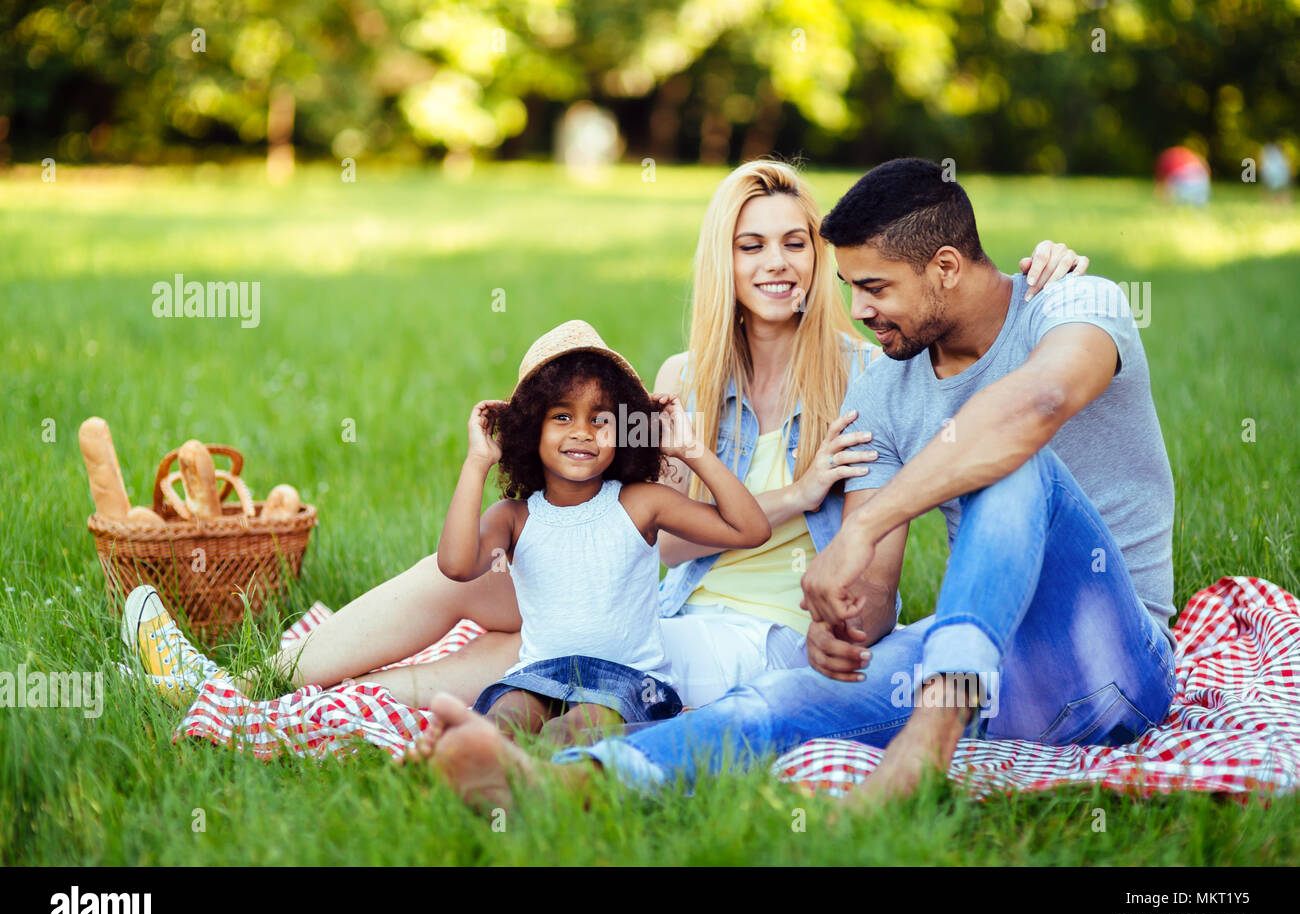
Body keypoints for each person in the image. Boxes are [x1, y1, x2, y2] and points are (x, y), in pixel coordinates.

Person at [123, 160, 1088, 720]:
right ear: (724, 259)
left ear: (820, 258)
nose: (779, 264)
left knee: (542, 648)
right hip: (663, 591)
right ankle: (250, 684)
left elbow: (871, 579)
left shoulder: (867, 378)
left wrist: (1045, 276)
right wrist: (775, 500)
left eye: (796, 243)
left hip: (762, 635)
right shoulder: (679, 383)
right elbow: (644, 535)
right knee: (464, 581)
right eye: (753, 245)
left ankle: (284, 711)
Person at [402, 158, 1175, 812]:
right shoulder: (885, 390)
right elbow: (870, 604)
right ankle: (564, 785)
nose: (855, 309)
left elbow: (1034, 407)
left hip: (1112, 660)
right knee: (777, 700)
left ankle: (926, 746)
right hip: (991, 678)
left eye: (873, 288)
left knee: (1019, 460)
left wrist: (866, 528)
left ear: (944, 267)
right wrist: (836, 627)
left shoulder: (1074, 301)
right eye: (848, 287)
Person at [438, 320, 767, 746]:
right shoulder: (514, 517)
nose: (582, 431)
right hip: (540, 676)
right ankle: (465, 767)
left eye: (600, 419)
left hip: (627, 683)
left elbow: (750, 529)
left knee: (572, 730)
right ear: (530, 429)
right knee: (505, 720)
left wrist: (690, 449)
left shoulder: (641, 503)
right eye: (561, 416)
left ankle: (546, 788)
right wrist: (476, 463)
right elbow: (456, 565)